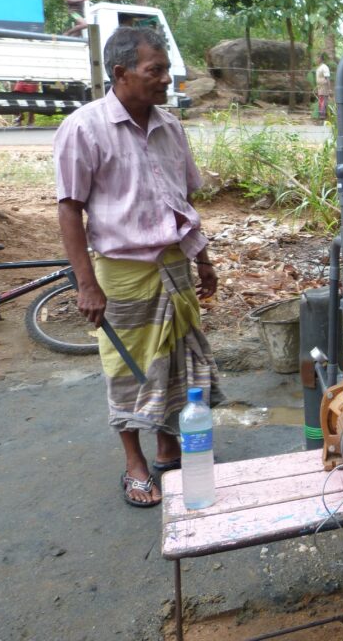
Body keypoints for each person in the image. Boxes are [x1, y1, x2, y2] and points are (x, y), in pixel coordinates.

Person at [54, 26, 221, 508]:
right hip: (122, 271)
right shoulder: (84, 127)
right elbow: (70, 208)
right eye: (156, 70)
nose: (167, 79)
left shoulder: (171, 126)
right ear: (121, 72)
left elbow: (183, 199)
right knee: (128, 371)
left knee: (176, 364)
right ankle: (135, 463)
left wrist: (202, 258)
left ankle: (169, 444)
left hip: (175, 264)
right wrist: (86, 284)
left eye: (166, 69)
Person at [315, 53, 331, 121]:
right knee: (321, 100)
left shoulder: (324, 67)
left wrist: (329, 89)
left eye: (317, 58)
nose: (316, 60)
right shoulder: (319, 67)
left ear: (320, 59)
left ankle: (323, 116)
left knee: (323, 100)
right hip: (320, 87)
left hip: (324, 86)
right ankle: (322, 115)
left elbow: (327, 78)